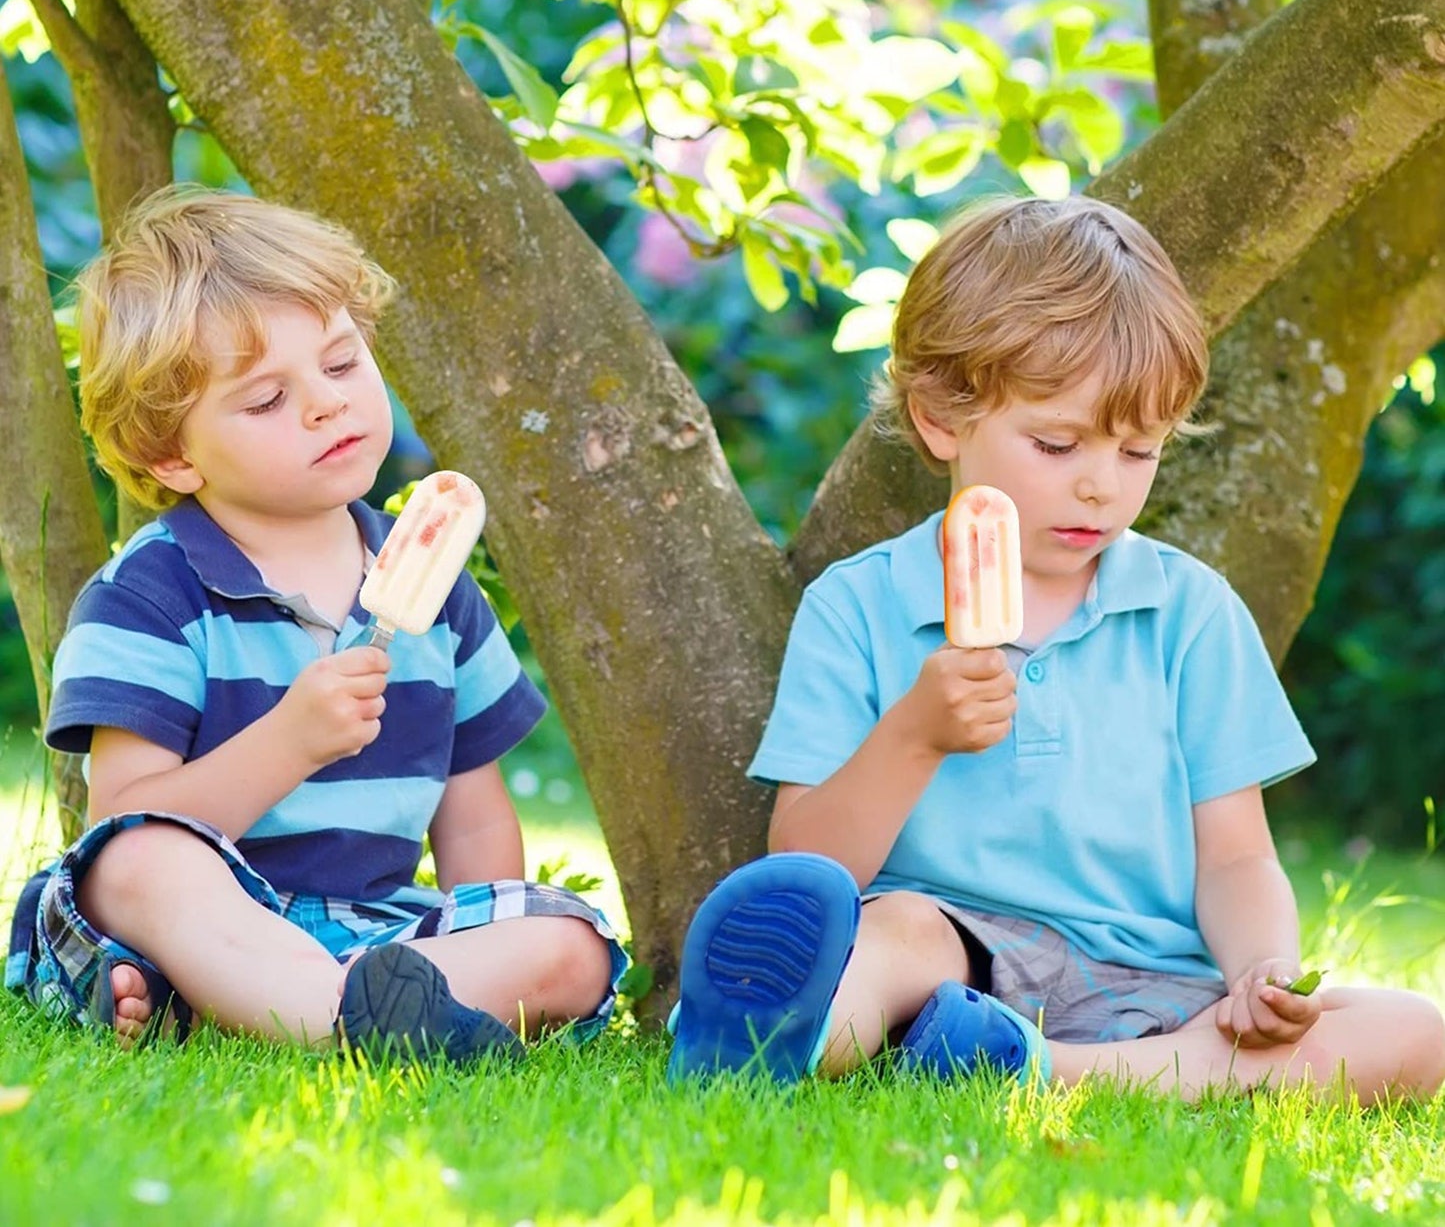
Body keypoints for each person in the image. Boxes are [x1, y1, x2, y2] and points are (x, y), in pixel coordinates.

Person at [667, 196, 1445, 1100]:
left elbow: (1236, 857)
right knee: (889, 937)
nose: (1099, 485)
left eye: (1137, 452)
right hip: (952, 963)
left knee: (1413, 1035)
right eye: (1056, 442)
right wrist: (913, 733)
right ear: (939, 419)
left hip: (1157, 983)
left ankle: (1039, 1069)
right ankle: (767, 1032)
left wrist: (1262, 969)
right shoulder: (859, 605)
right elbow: (806, 864)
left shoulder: (1189, 612)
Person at [4, 186, 627, 1061]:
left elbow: (475, 821)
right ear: (172, 455)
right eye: (265, 401)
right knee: (137, 867)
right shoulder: (150, 595)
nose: (326, 404)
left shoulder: (432, 585)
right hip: (204, 915)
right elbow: (126, 818)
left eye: (340, 365)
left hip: (372, 928)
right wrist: (289, 741)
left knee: (573, 943)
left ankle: (351, 1005)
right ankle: (343, 1019)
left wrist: (482, 928)